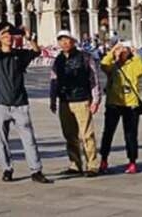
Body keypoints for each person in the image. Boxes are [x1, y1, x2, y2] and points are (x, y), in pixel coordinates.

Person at [0, 23, 51, 184]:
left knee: (29, 138)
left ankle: (36, 170)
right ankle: (7, 169)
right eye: (6, 35)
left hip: (19, 102)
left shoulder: (19, 55)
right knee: (2, 140)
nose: (9, 38)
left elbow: (36, 51)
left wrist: (28, 37)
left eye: (11, 35)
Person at [49, 29, 102, 176]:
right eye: (61, 40)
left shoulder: (85, 57)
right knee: (69, 134)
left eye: (67, 39)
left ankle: (92, 165)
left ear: (73, 41)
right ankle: (75, 164)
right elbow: (53, 80)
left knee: (86, 134)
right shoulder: (58, 59)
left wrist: (96, 99)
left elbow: (94, 79)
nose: (64, 43)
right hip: (64, 100)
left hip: (82, 99)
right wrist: (53, 99)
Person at [99, 41, 142, 173]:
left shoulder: (134, 64)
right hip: (113, 103)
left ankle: (132, 161)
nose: (122, 53)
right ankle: (104, 159)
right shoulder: (112, 66)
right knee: (108, 133)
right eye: (120, 50)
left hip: (131, 104)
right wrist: (112, 51)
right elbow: (103, 65)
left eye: (125, 50)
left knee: (131, 134)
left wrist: (136, 54)